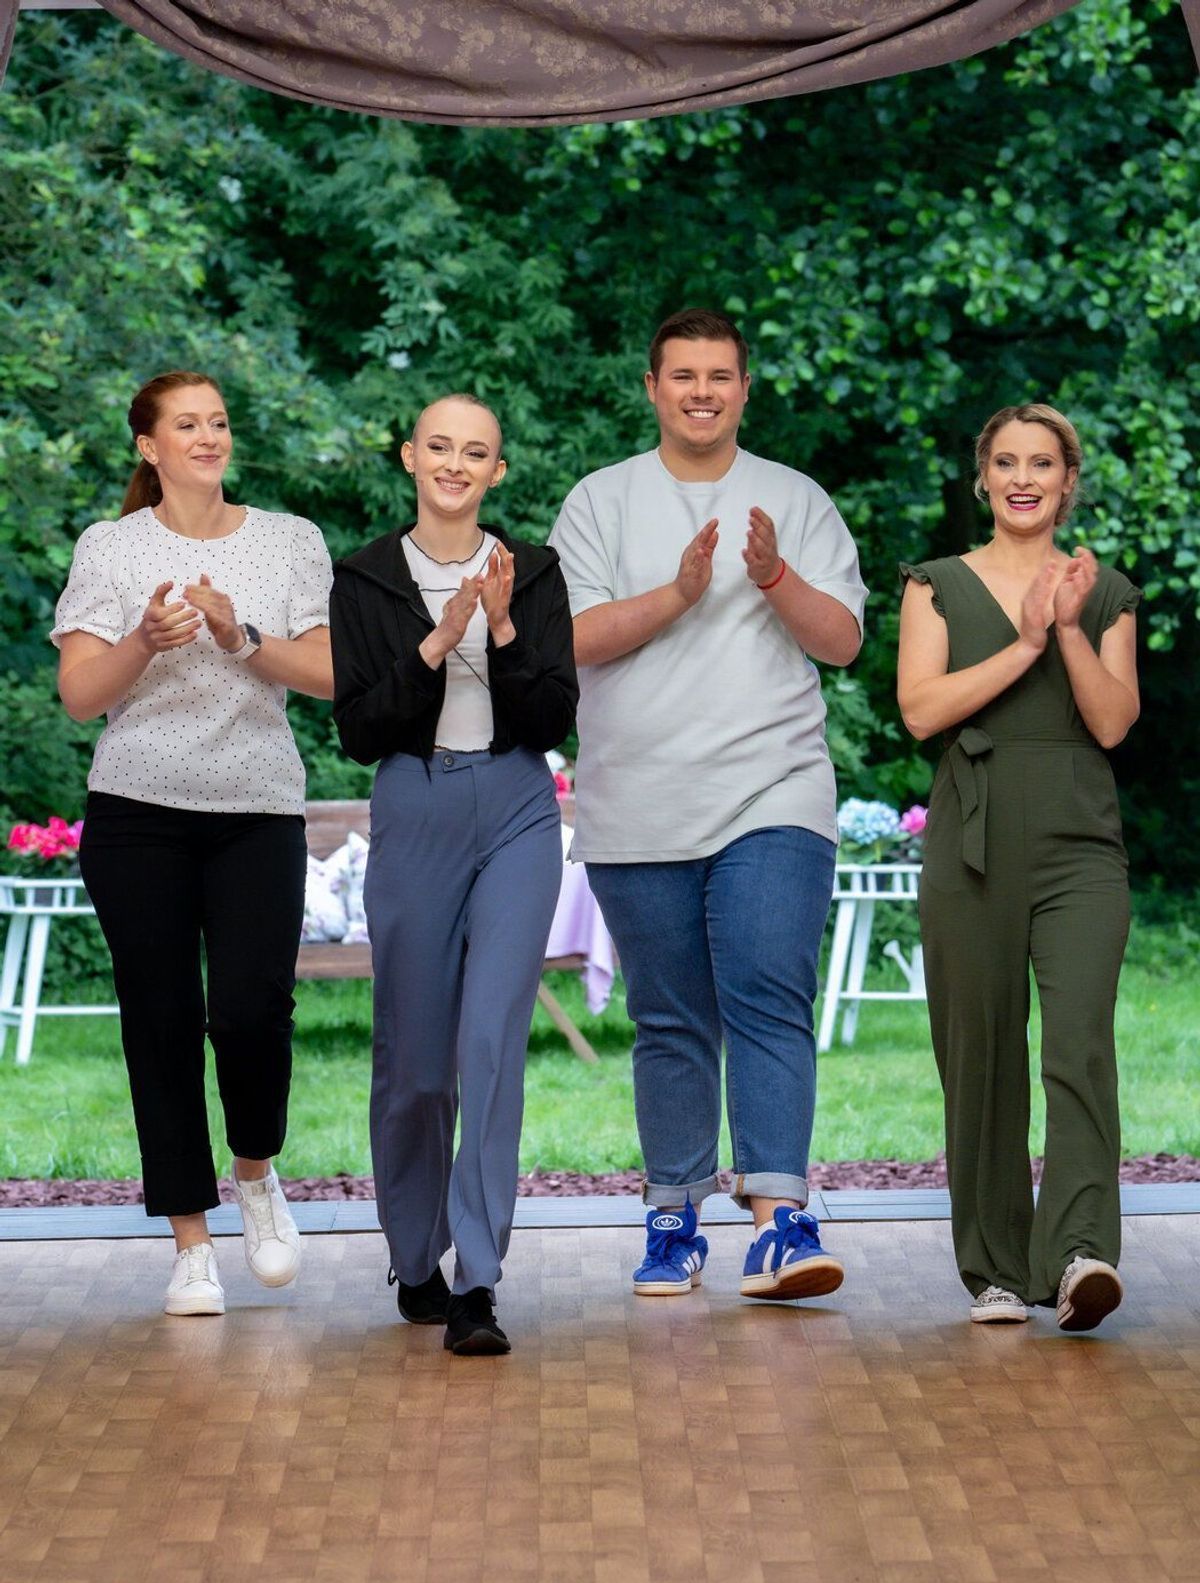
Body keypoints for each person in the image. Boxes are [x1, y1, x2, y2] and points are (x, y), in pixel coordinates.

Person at [549, 308, 866, 1301]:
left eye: (718, 375)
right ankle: (673, 1217)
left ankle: (781, 1221)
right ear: (652, 386)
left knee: (768, 992)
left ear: (743, 385)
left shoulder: (795, 498)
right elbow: (569, 638)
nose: (700, 390)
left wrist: (771, 575)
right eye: (682, 374)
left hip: (774, 789)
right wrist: (678, 595)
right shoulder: (600, 502)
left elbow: (844, 640)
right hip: (637, 799)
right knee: (672, 1017)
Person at [53, 369, 334, 1316]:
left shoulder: (290, 541)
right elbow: (82, 696)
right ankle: (190, 1241)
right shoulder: (111, 547)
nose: (208, 436)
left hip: (257, 812)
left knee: (252, 1011)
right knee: (161, 1023)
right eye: (187, 424)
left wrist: (240, 632)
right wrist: (143, 641)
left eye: (218, 421)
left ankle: (255, 1175)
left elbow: (333, 673)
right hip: (137, 815)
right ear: (150, 446)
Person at [330, 393, 577, 1356]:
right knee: (419, 1068)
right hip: (415, 804)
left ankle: (479, 1278)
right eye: (439, 447)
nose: (455, 464)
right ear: (409, 457)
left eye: (476, 453)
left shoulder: (538, 572)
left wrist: (505, 629)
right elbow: (359, 730)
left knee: (489, 1049)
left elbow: (553, 716)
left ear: (497, 472)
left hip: (517, 807)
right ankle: (416, 1256)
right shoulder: (366, 579)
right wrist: (438, 642)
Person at [897, 403, 1140, 1332]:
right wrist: (1028, 641)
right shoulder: (936, 585)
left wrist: (1070, 630)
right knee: (981, 1053)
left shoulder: (1105, 589)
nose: (1024, 476)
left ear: (1067, 481)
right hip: (974, 841)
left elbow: (1112, 723)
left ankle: (1079, 1253)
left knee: (1078, 1044)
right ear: (983, 477)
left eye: (1043, 462)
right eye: (1007, 461)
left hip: (1081, 845)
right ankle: (996, 1269)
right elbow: (921, 709)